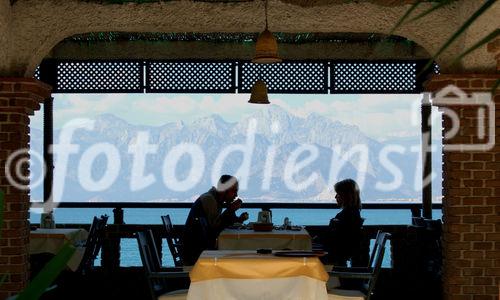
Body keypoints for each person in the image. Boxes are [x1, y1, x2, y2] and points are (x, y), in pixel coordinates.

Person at [182, 175, 248, 265]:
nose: (236, 195)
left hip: (199, 248)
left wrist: (237, 218)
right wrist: (230, 210)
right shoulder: (209, 199)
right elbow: (215, 229)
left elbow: (217, 224)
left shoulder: (215, 199)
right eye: (234, 191)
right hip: (196, 253)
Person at [326, 179, 364, 267]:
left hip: (336, 258)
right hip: (339, 258)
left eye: (338, 194)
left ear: (346, 196)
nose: (335, 197)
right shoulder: (353, 213)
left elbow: (337, 242)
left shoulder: (346, 216)